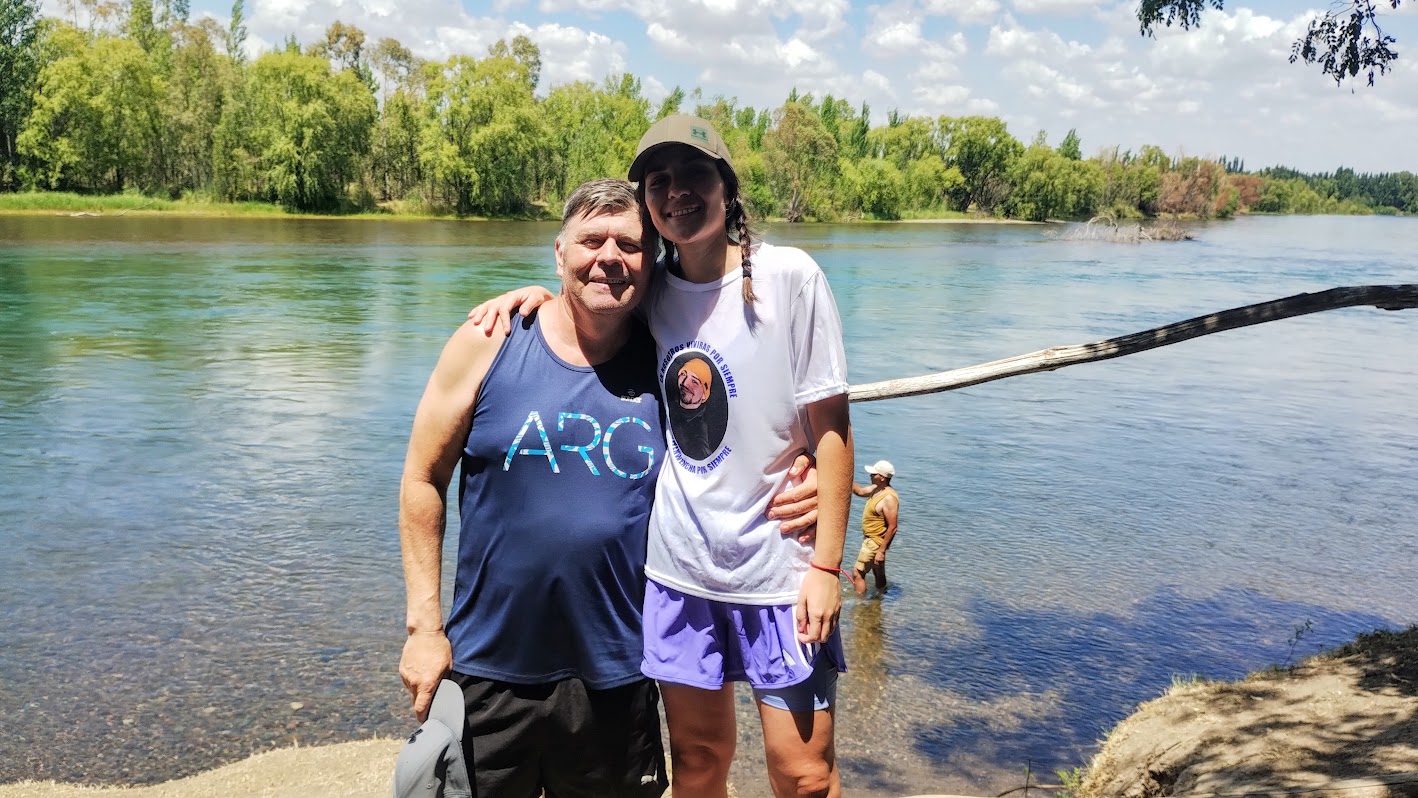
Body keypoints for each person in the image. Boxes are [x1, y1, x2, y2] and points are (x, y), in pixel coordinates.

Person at [470, 115, 855, 798]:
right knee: (699, 765)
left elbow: (831, 427)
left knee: (803, 776)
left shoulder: (791, 276)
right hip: (680, 575)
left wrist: (826, 561)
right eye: (659, 181)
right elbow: (589, 301)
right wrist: (529, 299)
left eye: (693, 175)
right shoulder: (653, 294)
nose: (676, 192)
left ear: (726, 187)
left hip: (782, 573)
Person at [849, 460, 899, 596]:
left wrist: (881, 551)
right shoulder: (875, 488)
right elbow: (859, 491)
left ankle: (860, 604)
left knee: (857, 572)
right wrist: (845, 477)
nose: (870, 475)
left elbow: (893, 527)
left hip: (875, 542)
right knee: (878, 570)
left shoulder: (889, 498)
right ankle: (881, 596)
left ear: (882, 477)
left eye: (873, 473)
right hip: (872, 540)